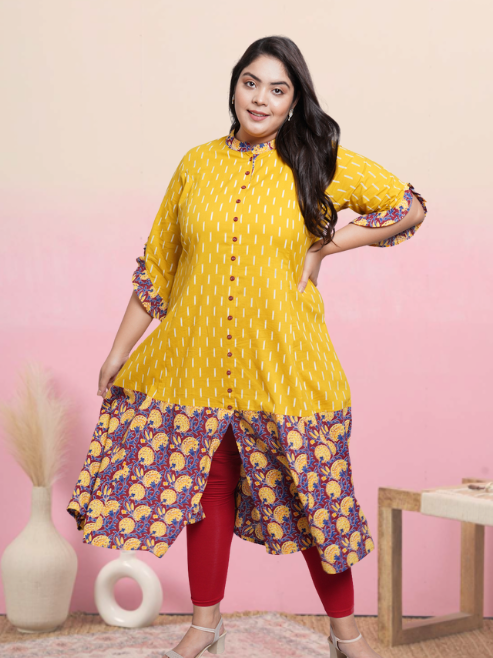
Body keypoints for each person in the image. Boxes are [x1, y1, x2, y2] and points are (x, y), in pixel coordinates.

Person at [67, 36, 428, 658]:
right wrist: (117, 352)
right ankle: (205, 625)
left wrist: (327, 246)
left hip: (286, 367)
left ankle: (346, 635)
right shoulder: (195, 164)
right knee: (208, 492)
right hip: (194, 366)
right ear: (234, 86)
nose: (260, 99)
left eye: (277, 90)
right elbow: (158, 268)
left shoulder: (317, 160)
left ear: (294, 102)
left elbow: (409, 207)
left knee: (317, 500)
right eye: (250, 83)